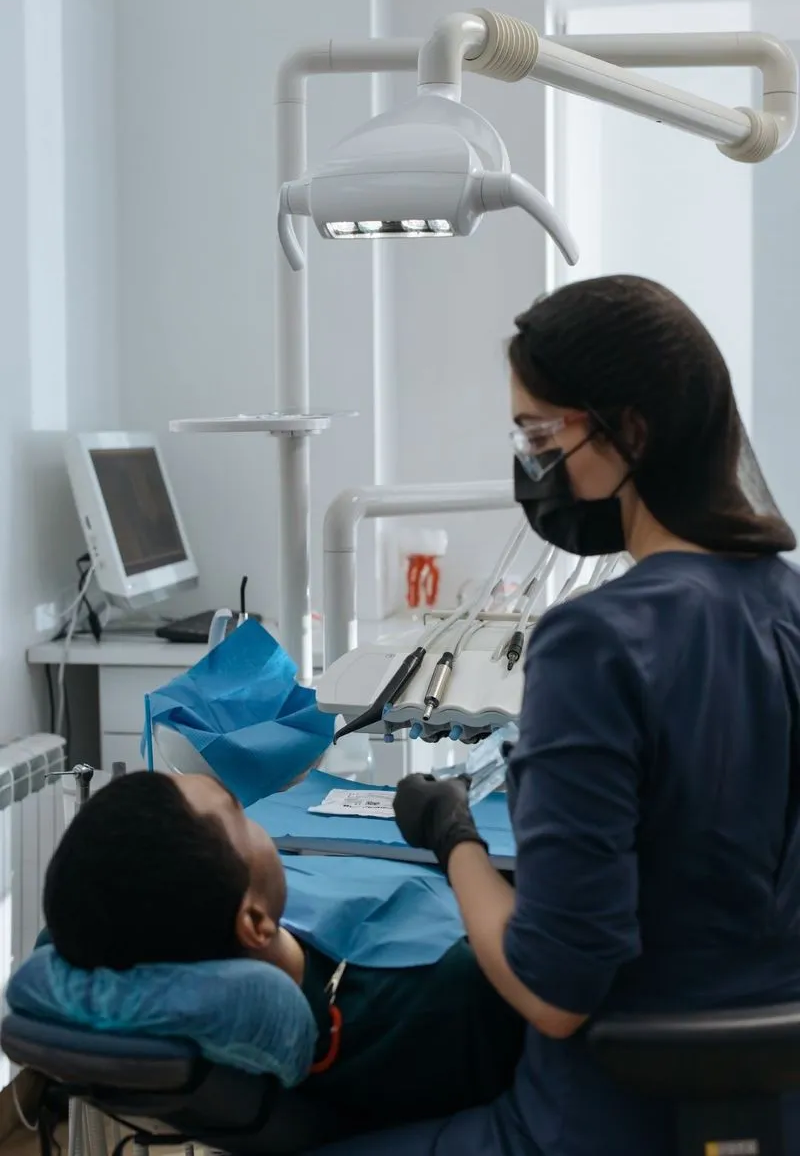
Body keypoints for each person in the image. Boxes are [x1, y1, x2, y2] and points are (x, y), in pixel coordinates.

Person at [310, 274, 800, 1156]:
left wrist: (451, 832)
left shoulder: (596, 640)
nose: (530, 464)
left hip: (601, 1123)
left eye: (541, 434)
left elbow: (555, 990)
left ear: (631, 433)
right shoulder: (788, 610)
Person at [41, 769, 523, 1136]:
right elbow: (539, 967)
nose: (260, 825)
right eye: (239, 813)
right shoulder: (442, 996)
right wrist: (454, 832)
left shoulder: (171, 948)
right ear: (254, 922)